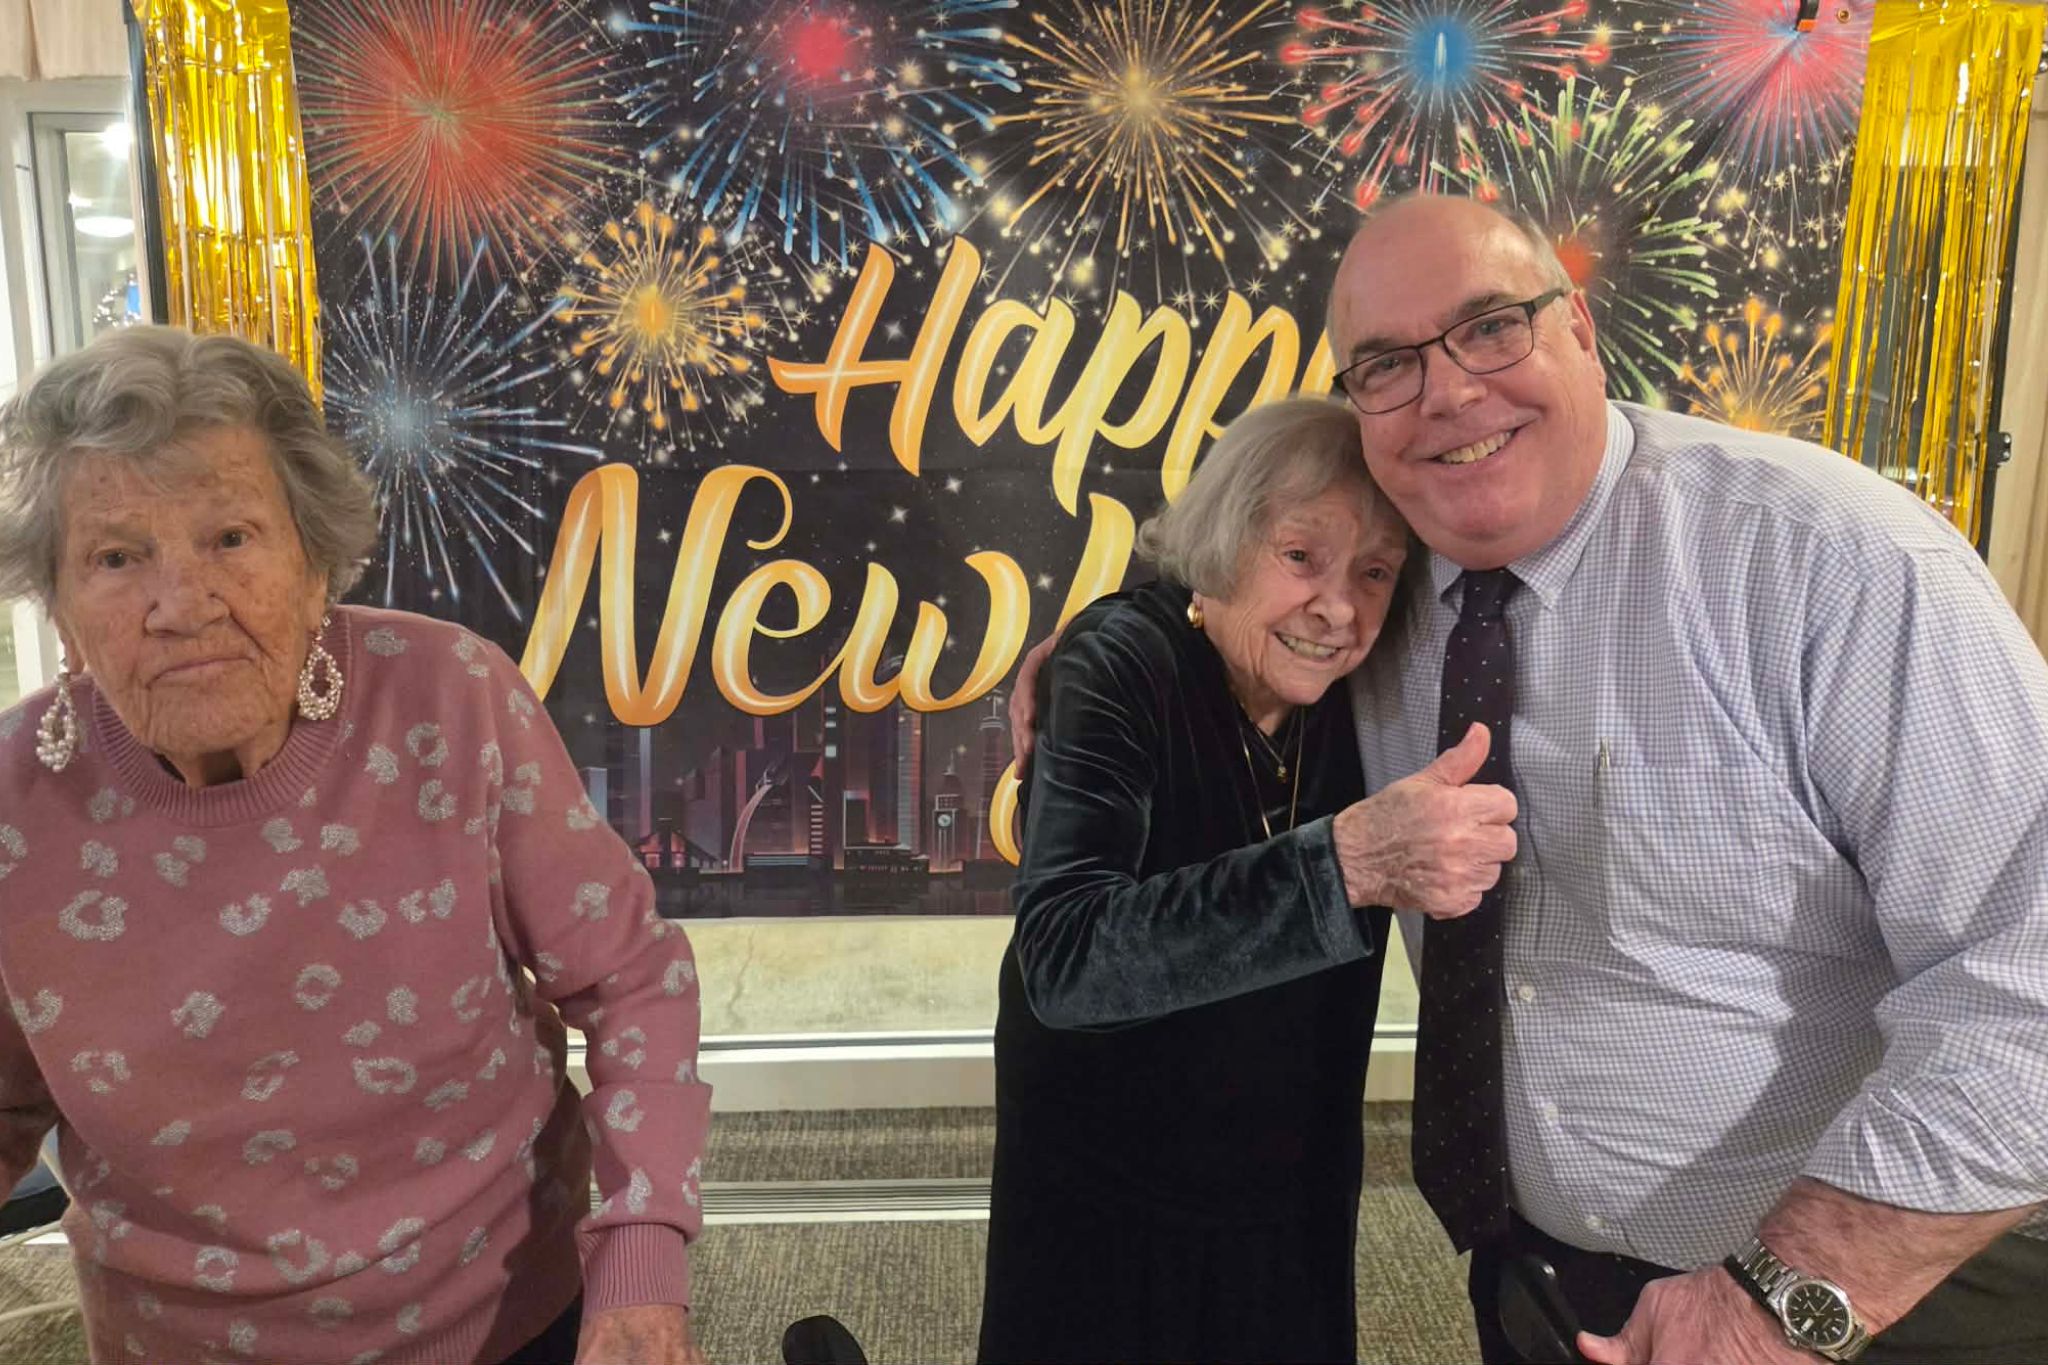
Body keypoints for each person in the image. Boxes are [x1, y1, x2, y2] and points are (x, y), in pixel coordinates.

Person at [1014, 193, 2048, 1365]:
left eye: (1490, 326)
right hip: (1530, 1281)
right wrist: (1105, 645)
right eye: (1387, 365)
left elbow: (2030, 980)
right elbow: (1251, 581)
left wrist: (1778, 1301)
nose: (1448, 392)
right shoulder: (1394, 588)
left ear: (1581, 329)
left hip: (1852, 1299)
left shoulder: (1830, 565)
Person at [0, 327, 712, 1365]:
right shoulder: (14, 806)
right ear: (58, 606)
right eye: (116, 557)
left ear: (312, 562)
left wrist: (643, 1245)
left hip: (502, 1314)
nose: (181, 606)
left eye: (231, 538)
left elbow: (630, 981)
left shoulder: (448, 698)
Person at [978, 395, 1520, 1365]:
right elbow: (1063, 962)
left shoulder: (1370, 682)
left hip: (1290, 1172)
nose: (1338, 607)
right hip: (1107, 1179)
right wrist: (1343, 866)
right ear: (1226, 542)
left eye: (1374, 572)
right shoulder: (1121, 664)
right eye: (1299, 556)